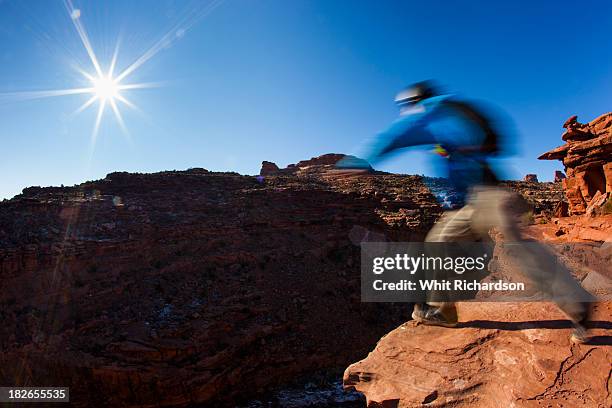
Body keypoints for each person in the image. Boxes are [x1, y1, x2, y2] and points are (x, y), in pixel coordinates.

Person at [332, 80, 593, 343]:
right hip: (468, 204)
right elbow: (497, 136)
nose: (403, 112)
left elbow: (393, 136)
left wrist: (358, 160)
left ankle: (577, 305)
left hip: (486, 197)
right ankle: (443, 311)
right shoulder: (455, 111)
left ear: (414, 101)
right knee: (437, 242)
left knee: (515, 249)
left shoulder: (429, 111)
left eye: (404, 106)